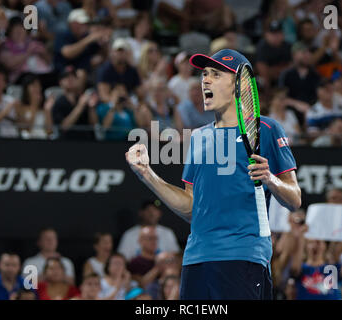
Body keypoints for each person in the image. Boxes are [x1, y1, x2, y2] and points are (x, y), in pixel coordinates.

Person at [125, 49, 302, 300]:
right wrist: (146, 174)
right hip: (196, 260)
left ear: (239, 84)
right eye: (204, 74)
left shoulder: (268, 129)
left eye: (216, 75)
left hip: (243, 258)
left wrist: (269, 179)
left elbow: (295, 200)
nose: (205, 80)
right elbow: (190, 207)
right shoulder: (198, 137)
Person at [51, 66, 99, 140]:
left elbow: (94, 124)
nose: (70, 79)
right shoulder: (58, 103)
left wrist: (91, 107)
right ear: (60, 82)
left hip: (87, 141)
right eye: (66, 77)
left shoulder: (85, 98)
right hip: (67, 142)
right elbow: (63, 127)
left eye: (73, 76)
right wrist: (80, 106)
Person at [97, 38, 142, 103]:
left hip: (128, 103)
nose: (120, 54)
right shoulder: (105, 70)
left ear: (127, 53)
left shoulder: (132, 70)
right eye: (118, 51)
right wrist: (116, 95)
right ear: (112, 53)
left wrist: (126, 97)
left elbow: (141, 94)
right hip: (109, 104)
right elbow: (103, 96)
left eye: (123, 51)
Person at [255, 20, 292, 88]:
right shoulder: (262, 47)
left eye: (278, 33)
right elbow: (262, 70)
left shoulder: (287, 46)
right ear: (266, 35)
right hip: (267, 82)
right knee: (261, 80)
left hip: (285, 81)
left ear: (283, 34)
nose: (275, 36)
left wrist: (275, 70)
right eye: (272, 33)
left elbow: (292, 67)